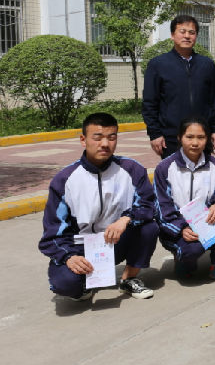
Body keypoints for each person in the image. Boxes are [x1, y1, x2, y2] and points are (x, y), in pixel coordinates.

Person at [39, 113, 158, 301]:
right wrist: (69, 257)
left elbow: (148, 204)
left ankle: (129, 279)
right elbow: (52, 234)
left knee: (149, 227)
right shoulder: (65, 180)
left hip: (115, 242)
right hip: (80, 249)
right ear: (83, 140)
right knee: (65, 284)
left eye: (112, 137)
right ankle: (83, 283)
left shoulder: (131, 169)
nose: (105, 144)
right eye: (97, 137)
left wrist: (126, 219)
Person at [153, 117, 215, 285]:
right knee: (189, 254)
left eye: (201, 137)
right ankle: (183, 259)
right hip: (178, 228)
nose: (195, 143)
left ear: (208, 139)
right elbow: (162, 206)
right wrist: (181, 228)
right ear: (179, 138)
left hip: (205, 223)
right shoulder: (165, 168)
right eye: (189, 137)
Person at [143, 14, 215, 158]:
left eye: (191, 32)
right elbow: (150, 102)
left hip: (202, 136)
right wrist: (155, 134)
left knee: (203, 171)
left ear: (196, 36)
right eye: (182, 31)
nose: (187, 36)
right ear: (172, 35)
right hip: (171, 137)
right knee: (174, 172)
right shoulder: (158, 64)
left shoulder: (207, 65)